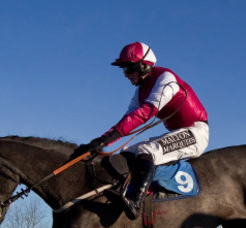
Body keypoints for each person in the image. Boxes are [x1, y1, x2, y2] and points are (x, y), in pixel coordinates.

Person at [78, 41, 209, 219]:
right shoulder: (140, 91)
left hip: (196, 133)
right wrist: (101, 140)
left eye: (129, 68)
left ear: (144, 66)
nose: (126, 75)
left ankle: (135, 201)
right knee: (128, 151)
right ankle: (131, 190)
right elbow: (127, 118)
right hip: (177, 133)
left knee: (147, 151)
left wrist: (106, 140)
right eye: (124, 69)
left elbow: (145, 113)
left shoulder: (165, 79)